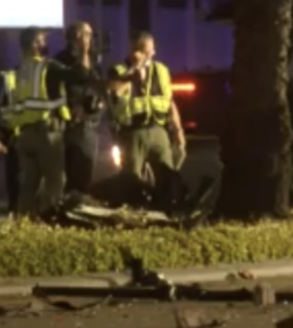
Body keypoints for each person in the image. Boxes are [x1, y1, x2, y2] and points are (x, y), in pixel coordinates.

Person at [10, 27, 82, 217]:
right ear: (35, 45)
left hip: (24, 136)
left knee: (28, 186)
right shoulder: (48, 67)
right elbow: (79, 76)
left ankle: (23, 228)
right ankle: (50, 224)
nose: (46, 44)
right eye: (42, 40)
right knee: (55, 182)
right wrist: (83, 52)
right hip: (47, 134)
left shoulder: (18, 71)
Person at [107, 31, 185, 202]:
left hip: (158, 131)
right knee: (131, 177)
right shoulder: (119, 70)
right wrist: (132, 73)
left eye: (149, 50)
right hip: (133, 132)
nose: (146, 54)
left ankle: (167, 207)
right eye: (140, 49)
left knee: (166, 173)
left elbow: (169, 101)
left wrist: (178, 130)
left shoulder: (162, 70)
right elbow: (113, 91)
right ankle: (133, 209)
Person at [54, 21, 104, 196]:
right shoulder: (62, 61)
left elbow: (99, 86)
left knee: (85, 178)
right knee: (71, 177)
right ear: (77, 37)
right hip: (70, 127)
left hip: (90, 127)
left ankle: (80, 211)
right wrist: (83, 52)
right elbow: (81, 74)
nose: (91, 39)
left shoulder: (94, 60)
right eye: (87, 34)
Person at [0, 65, 21, 216]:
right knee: (16, 184)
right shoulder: (7, 79)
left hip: (38, 139)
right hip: (14, 140)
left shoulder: (44, 75)